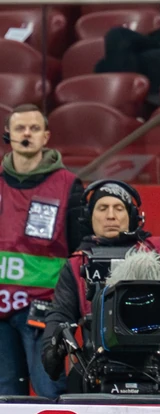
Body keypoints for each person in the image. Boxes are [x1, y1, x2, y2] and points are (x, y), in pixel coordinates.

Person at [40, 180, 160, 395]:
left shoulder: (158, 249)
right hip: (99, 362)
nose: (110, 216)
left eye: (118, 208)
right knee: (69, 403)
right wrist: (51, 348)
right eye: (102, 208)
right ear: (89, 217)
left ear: (132, 216)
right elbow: (60, 314)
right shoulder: (76, 265)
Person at [0, 104, 83, 399]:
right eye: (20, 128)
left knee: (49, 389)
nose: (27, 134)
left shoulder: (68, 185)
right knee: (5, 393)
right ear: (8, 135)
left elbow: (80, 249)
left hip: (44, 307)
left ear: (46, 136)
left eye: (34, 128)